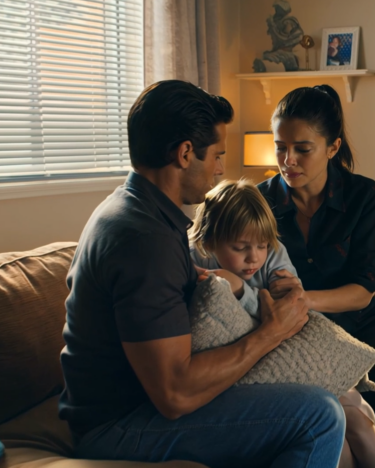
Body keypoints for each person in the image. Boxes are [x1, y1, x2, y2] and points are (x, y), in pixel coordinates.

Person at [59, 80, 345, 468]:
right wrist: (271, 332)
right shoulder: (145, 240)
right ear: (185, 153)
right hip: (119, 426)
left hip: (125, 411)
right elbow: (175, 395)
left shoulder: (133, 209)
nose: (221, 169)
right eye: (217, 155)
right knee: (319, 415)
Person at [258, 85, 375, 468]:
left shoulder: (365, 196)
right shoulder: (259, 201)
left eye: (302, 149)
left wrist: (305, 299)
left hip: (359, 318)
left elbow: (364, 288)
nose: (288, 160)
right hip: (293, 327)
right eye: (280, 147)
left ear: (332, 147)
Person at [188, 178, 375, 468]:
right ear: (210, 241)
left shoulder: (273, 254)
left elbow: (289, 309)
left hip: (290, 344)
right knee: (340, 426)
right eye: (240, 247)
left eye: (261, 245)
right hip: (252, 360)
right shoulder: (193, 261)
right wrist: (246, 295)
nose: (254, 257)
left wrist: (240, 289)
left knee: (357, 418)